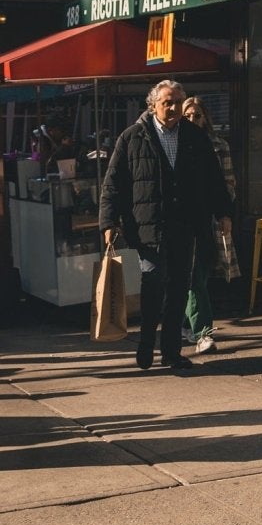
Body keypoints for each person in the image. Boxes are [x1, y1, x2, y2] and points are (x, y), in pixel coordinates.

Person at [100, 79, 233, 373]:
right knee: (153, 284)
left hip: (186, 226)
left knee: (178, 289)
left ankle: (171, 352)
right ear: (153, 105)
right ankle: (147, 343)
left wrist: (224, 213)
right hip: (149, 228)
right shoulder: (132, 138)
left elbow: (214, 180)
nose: (172, 108)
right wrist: (108, 221)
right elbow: (113, 183)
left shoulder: (194, 137)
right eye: (166, 102)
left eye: (176, 102)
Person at [180, 98, 237, 354]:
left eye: (197, 115)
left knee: (198, 274)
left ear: (205, 118)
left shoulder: (217, 145)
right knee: (192, 277)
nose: (193, 120)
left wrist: (223, 212)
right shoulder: (174, 143)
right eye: (188, 115)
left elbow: (228, 182)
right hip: (181, 220)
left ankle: (188, 325)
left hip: (209, 218)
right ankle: (201, 330)